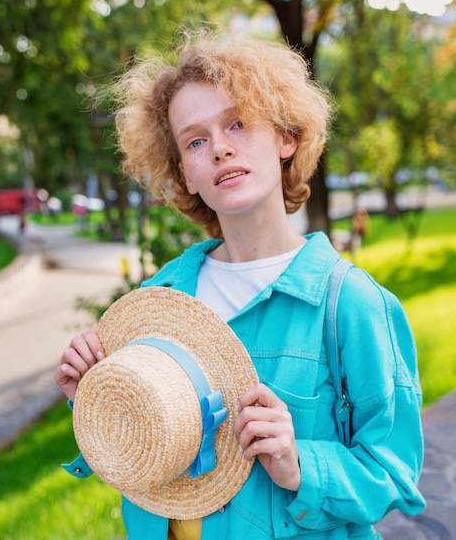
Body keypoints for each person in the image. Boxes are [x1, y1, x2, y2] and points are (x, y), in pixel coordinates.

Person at [55, 30, 425, 539]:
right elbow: (145, 463)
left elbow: (394, 474)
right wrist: (94, 399)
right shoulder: (156, 305)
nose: (221, 150)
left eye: (238, 123)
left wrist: (301, 465)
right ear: (185, 172)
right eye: (196, 140)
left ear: (286, 138)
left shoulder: (351, 305)